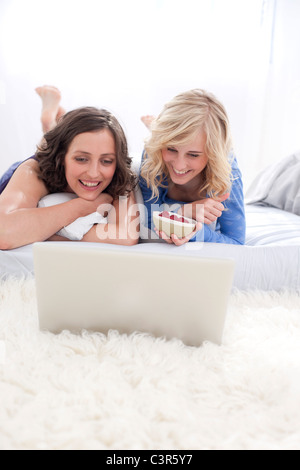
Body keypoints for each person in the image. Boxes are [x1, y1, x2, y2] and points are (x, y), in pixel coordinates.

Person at [0, 86, 139, 250]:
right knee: (47, 149)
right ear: (62, 157)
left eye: (106, 161)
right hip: (34, 168)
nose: (94, 173)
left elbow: (126, 235)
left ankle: (52, 125)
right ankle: (50, 127)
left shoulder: (119, 173)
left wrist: (44, 232)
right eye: (81, 159)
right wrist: (83, 207)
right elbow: (4, 234)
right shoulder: (33, 170)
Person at [139, 89, 246, 246]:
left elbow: (236, 242)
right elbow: (147, 220)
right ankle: (155, 129)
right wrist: (183, 213)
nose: (179, 165)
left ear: (212, 155)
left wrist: (194, 231)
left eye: (193, 155)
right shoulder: (153, 156)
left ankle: (157, 129)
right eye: (171, 149)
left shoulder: (228, 174)